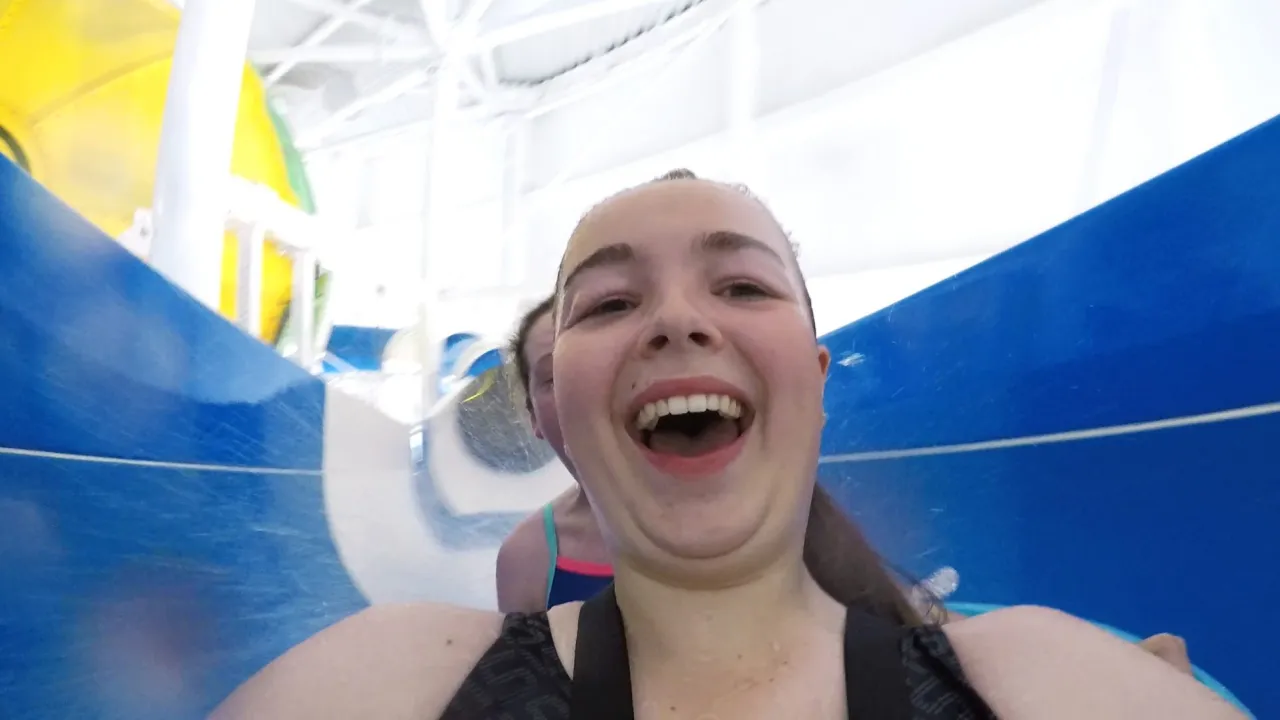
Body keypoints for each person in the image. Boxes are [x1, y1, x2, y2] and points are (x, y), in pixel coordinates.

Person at [213, 170, 1241, 719]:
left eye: (741, 285)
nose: (675, 320)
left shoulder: (1033, 679)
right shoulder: (398, 681)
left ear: (816, 379)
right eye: (609, 301)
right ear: (553, 408)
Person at [496, 296, 613, 612]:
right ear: (533, 416)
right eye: (556, 376)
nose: (582, 391)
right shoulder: (528, 557)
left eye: (599, 365)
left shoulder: (743, 523)